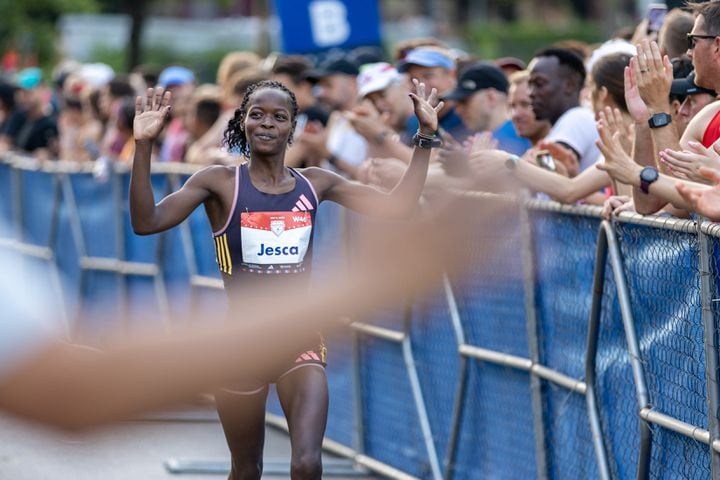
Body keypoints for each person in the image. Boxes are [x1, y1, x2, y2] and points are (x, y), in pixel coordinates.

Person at [129, 79, 442, 480]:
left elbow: (397, 207)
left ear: (291, 128)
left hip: (299, 339)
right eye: (256, 114)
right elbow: (146, 221)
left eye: (279, 117)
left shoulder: (316, 183)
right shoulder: (219, 183)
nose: (266, 124)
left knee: (307, 464)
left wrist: (425, 137)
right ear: (242, 121)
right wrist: (143, 146)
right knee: (246, 470)